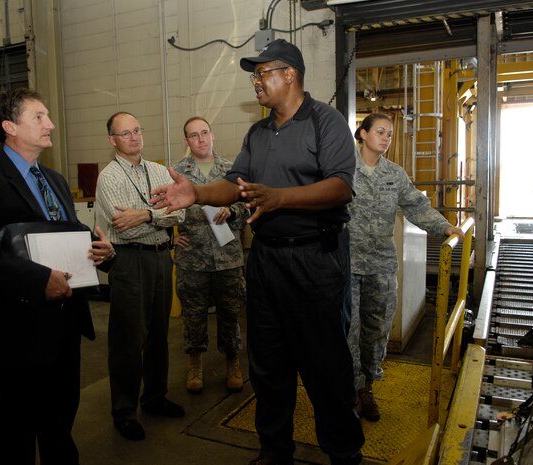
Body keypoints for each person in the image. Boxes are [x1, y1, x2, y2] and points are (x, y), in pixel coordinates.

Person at [151, 39, 364, 465]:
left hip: (315, 259)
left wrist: (280, 198)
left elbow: (341, 186)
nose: (256, 82)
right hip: (266, 259)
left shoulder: (326, 122)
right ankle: (274, 451)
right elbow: (235, 184)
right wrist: (196, 193)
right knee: (267, 362)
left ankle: (343, 454)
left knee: (325, 365)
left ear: (289, 74)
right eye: (254, 75)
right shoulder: (258, 131)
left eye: (263, 73)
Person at [0, 87, 115, 465]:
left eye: (47, 116)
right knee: (16, 423)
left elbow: (65, 231)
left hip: (64, 322)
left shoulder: (55, 180)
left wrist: (101, 251)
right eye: (38, 117)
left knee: (60, 420)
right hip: (15, 326)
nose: (50, 124)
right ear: (10, 126)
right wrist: (39, 280)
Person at [347, 113, 464, 422]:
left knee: (377, 331)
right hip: (347, 267)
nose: (386, 137)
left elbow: (417, 206)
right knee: (348, 332)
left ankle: (367, 387)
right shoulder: (343, 170)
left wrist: (445, 227)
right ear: (362, 133)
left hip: (382, 267)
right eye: (380, 132)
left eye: (389, 133)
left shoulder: (394, 174)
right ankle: (350, 389)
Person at [95, 111, 186, 442]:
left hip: (162, 258)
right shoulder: (109, 178)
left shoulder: (160, 170)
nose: (134, 137)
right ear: (112, 141)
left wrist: (147, 213)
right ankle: (124, 411)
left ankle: (154, 397)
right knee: (128, 340)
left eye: (137, 130)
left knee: (159, 334)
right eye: (125, 133)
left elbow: (183, 210)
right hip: (130, 261)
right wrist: (162, 214)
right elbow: (122, 222)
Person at [172, 116, 249, 394]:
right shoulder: (177, 173)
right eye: (194, 135)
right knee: (193, 314)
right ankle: (195, 364)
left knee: (230, 313)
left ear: (213, 135)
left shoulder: (231, 171)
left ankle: (232, 362)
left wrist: (234, 211)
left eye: (204, 133)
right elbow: (162, 210)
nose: (201, 139)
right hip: (193, 258)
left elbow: (248, 207)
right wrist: (171, 237)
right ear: (186, 141)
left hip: (228, 257)